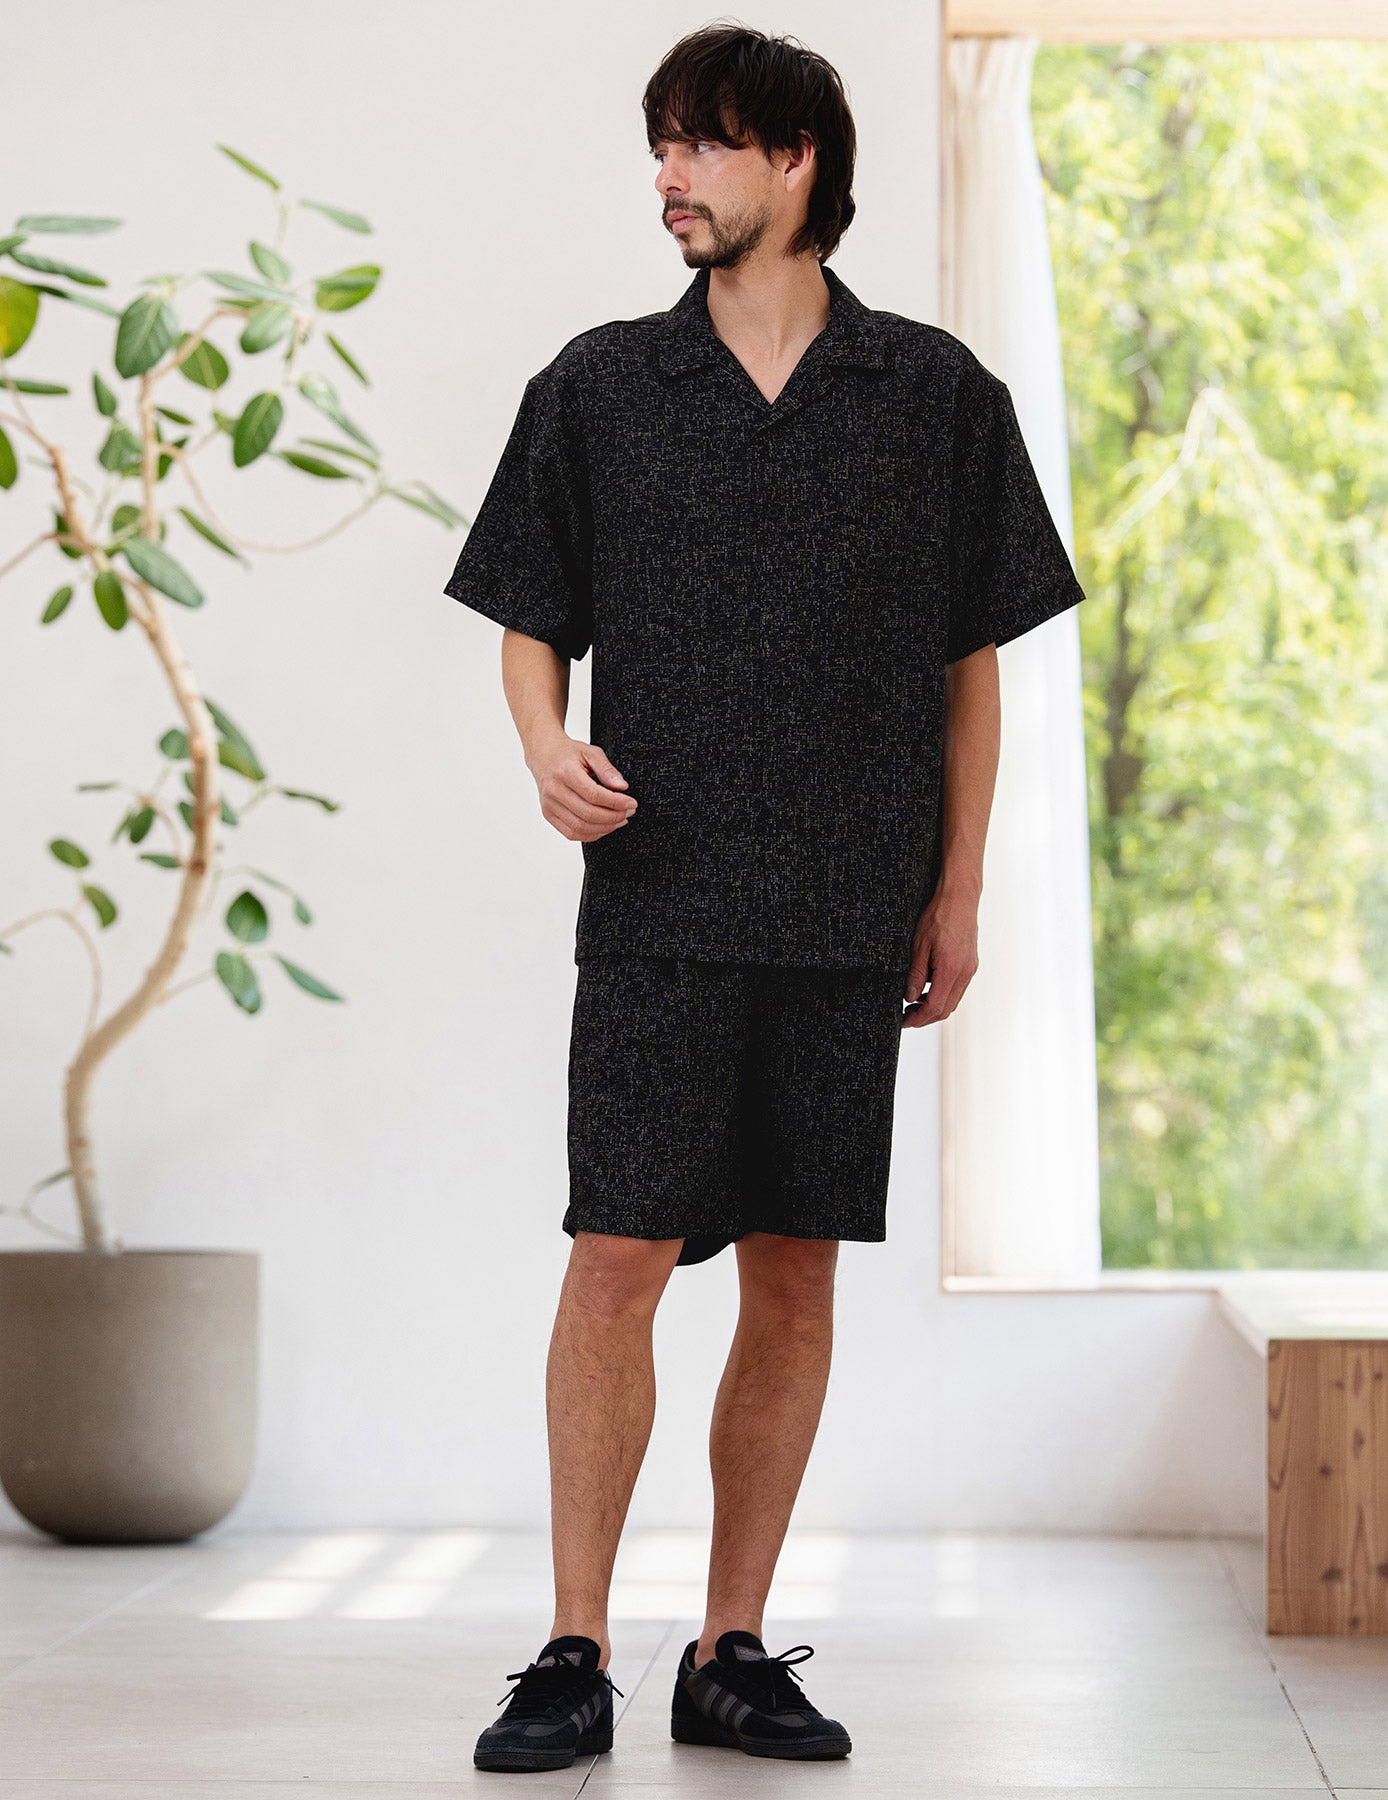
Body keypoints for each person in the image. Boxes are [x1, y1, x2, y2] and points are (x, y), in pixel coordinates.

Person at [445, 22, 1086, 1776]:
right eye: (661, 143)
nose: (669, 175)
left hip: (847, 906)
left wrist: (957, 886)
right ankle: (573, 1648)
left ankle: (731, 1649)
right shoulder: (599, 385)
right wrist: (544, 744)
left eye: (703, 144)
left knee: (796, 1275)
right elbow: (528, 616)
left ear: (797, 160)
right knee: (616, 1259)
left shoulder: (937, 396)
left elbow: (972, 667)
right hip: (656, 894)